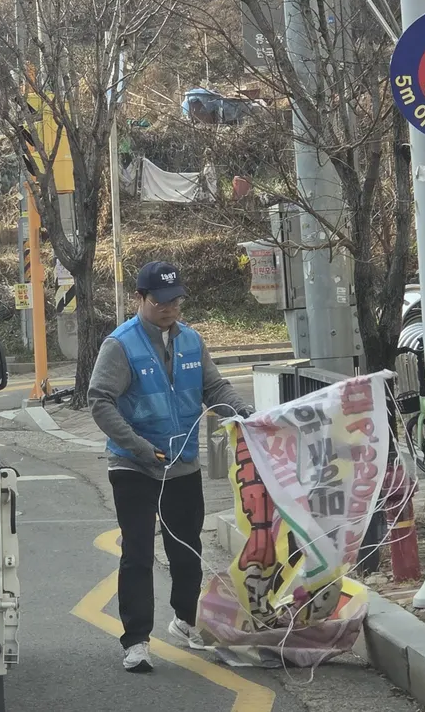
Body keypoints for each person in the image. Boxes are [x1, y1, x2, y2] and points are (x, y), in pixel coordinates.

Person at [88, 261, 255, 673]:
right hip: (133, 464)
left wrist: (245, 415)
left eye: (176, 301)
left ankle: (185, 620)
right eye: (161, 302)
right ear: (140, 298)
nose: (170, 308)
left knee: (186, 549)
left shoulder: (192, 341)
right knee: (139, 552)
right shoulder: (120, 345)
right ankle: (136, 640)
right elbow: (100, 401)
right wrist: (139, 447)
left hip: (182, 461)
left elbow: (214, 387)